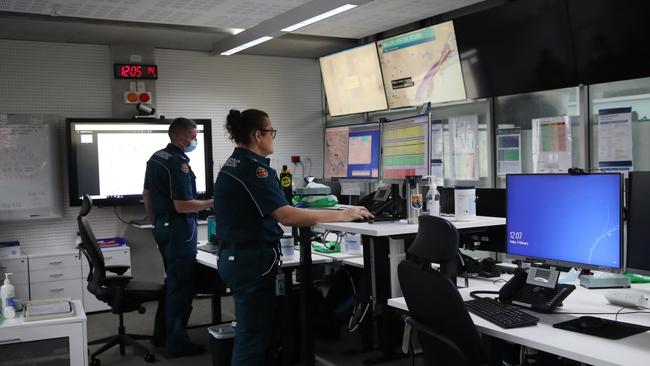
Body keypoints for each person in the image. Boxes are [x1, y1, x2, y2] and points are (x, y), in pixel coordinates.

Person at [213, 109, 373, 365]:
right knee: (253, 335)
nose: (273, 137)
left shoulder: (233, 164)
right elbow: (288, 216)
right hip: (251, 260)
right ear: (258, 135)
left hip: (238, 256)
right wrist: (344, 215)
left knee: (256, 330)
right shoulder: (254, 171)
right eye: (271, 132)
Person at [142, 117, 213, 357]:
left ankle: (162, 335)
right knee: (181, 287)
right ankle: (177, 343)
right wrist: (214, 202)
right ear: (181, 137)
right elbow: (183, 206)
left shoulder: (156, 157)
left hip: (162, 226)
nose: (195, 140)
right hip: (179, 228)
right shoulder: (178, 163)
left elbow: (147, 195)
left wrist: (156, 221)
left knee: (172, 283)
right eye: (194, 136)